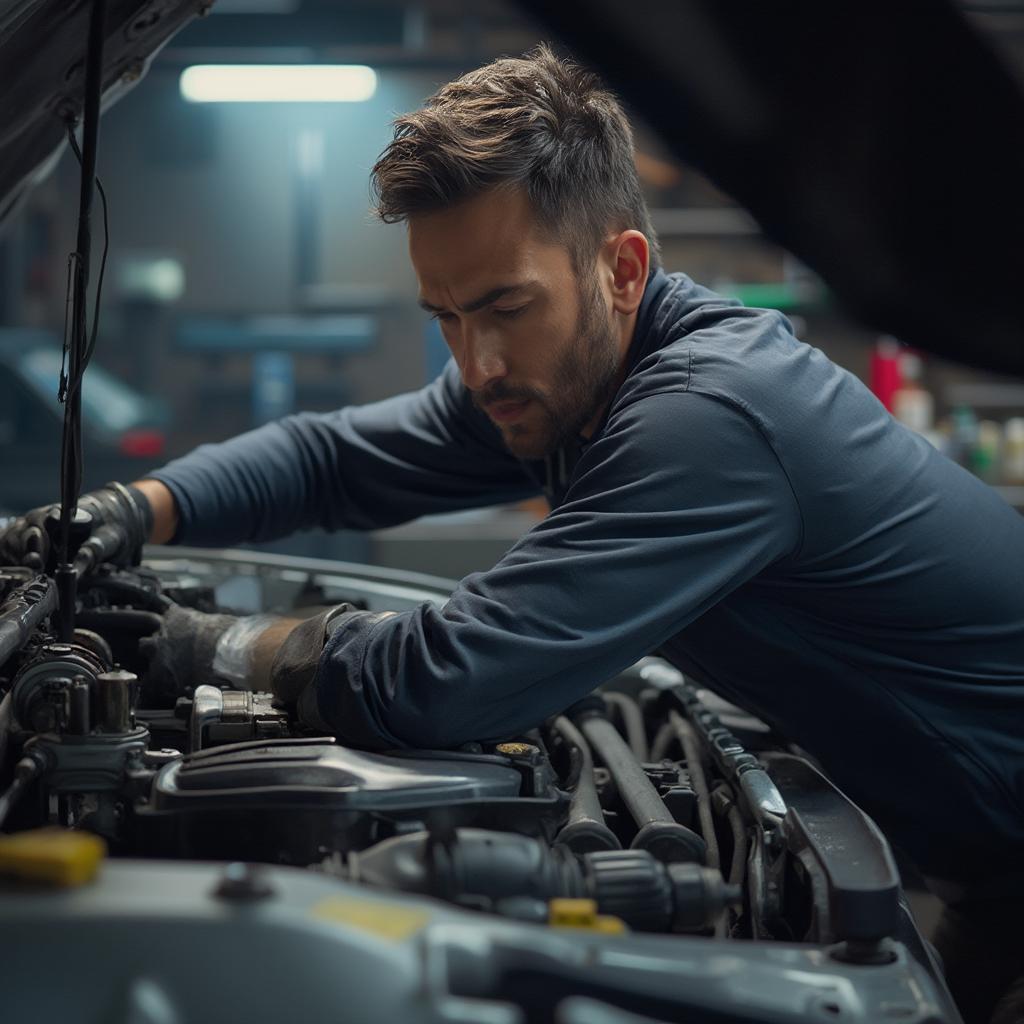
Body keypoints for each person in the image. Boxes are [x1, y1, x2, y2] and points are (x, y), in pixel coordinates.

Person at [2, 45, 1023, 1023]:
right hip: (983, 869)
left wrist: (201, 644)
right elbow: (330, 458)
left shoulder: (711, 416)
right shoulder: (569, 379)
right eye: (444, 316)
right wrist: (125, 513)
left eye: (504, 306)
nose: (476, 362)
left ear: (622, 270)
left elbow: (441, 679)